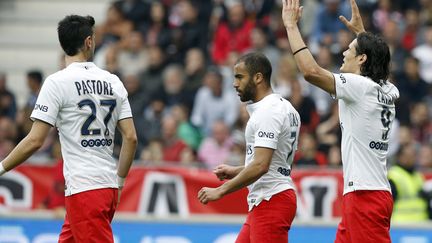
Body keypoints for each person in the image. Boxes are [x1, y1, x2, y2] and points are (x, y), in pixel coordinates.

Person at [0, 15, 137, 243]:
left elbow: (35, 140)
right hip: (104, 186)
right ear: (89, 42)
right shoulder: (113, 81)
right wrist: (120, 182)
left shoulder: (56, 83)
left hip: (84, 189)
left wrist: (2, 167)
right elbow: (131, 137)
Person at [282, 0, 399, 242]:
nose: (344, 52)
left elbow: (311, 72)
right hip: (369, 193)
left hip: (364, 197)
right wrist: (361, 33)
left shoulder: (359, 87)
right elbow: (379, 60)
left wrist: (291, 27)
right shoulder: (387, 89)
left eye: (351, 48)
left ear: (362, 59)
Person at [198, 52, 301, 243]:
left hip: (271, 200)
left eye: (239, 77)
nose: (235, 84)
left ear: (258, 77)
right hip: (266, 199)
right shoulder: (286, 108)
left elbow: (261, 165)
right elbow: (273, 163)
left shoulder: (268, 112)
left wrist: (220, 190)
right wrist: (237, 171)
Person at [388, 143, 429, 222]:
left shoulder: (418, 175)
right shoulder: (394, 175)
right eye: (409, 156)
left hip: (422, 224)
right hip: (401, 224)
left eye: (413, 155)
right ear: (400, 157)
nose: (412, 158)